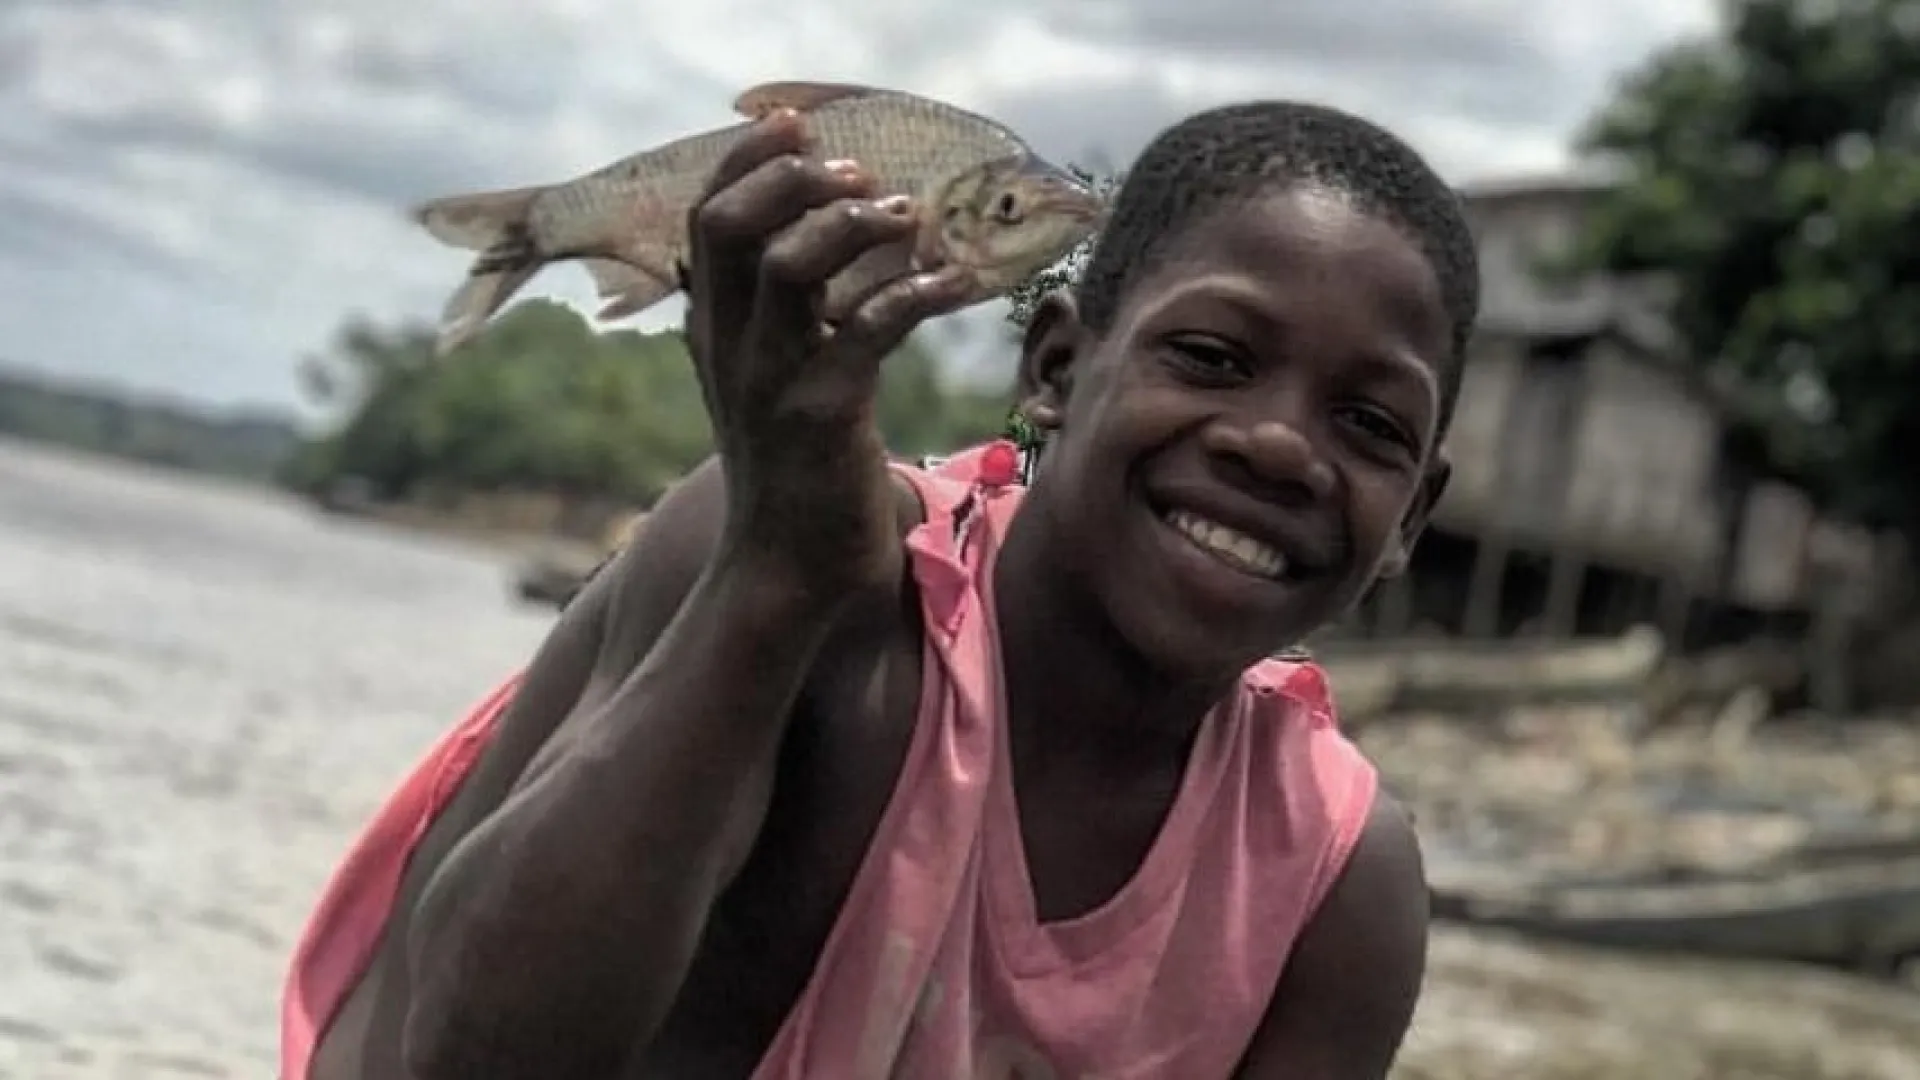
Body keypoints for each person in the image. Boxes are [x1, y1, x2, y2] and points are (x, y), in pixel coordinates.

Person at [282, 97, 1481, 1080]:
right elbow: (451, 1060)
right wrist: (771, 580)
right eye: (1211, 358)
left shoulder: (1334, 886)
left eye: (1369, 423)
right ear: (1058, 367)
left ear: (1408, 521)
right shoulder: (813, 583)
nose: (1276, 445)